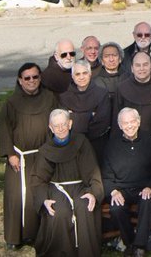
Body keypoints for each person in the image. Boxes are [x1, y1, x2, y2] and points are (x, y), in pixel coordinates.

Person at [29, 109, 103, 257]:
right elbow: (39, 179)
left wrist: (93, 193)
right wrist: (44, 199)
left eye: (64, 124)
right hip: (57, 189)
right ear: (50, 127)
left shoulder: (81, 143)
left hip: (80, 186)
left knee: (84, 207)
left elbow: (92, 171)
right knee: (59, 212)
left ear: (70, 124)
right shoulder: (46, 150)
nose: (61, 128)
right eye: (56, 126)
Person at [0, 62, 58, 249]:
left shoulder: (50, 98)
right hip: (20, 157)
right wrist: (10, 154)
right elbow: (5, 130)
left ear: (40, 78)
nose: (31, 81)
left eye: (35, 77)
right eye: (27, 78)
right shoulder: (11, 103)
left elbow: (57, 122)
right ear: (20, 80)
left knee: (38, 193)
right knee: (16, 196)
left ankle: (34, 234)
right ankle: (14, 237)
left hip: (43, 154)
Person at [103, 108, 151, 257]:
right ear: (120, 126)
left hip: (144, 188)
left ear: (138, 122)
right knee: (116, 208)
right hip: (121, 189)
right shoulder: (111, 145)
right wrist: (113, 191)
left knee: (147, 202)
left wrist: (150, 186)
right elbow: (106, 175)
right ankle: (129, 242)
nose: (130, 126)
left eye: (133, 121)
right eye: (125, 123)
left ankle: (139, 246)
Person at [58, 59, 112, 161]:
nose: (81, 77)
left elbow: (102, 122)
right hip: (72, 145)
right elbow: (64, 123)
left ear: (90, 74)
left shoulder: (101, 94)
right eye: (77, 74)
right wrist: (90, 115)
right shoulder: (64, 97)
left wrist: (74, 116)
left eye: (84, 73)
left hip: (96, 144)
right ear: (72, 76)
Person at [113, 50, 151, 137]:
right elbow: (116, 121)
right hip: (130, 140)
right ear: (132, 68)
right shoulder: (122, 89)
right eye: (137, 65)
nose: (141, 68)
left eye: (145, 64)